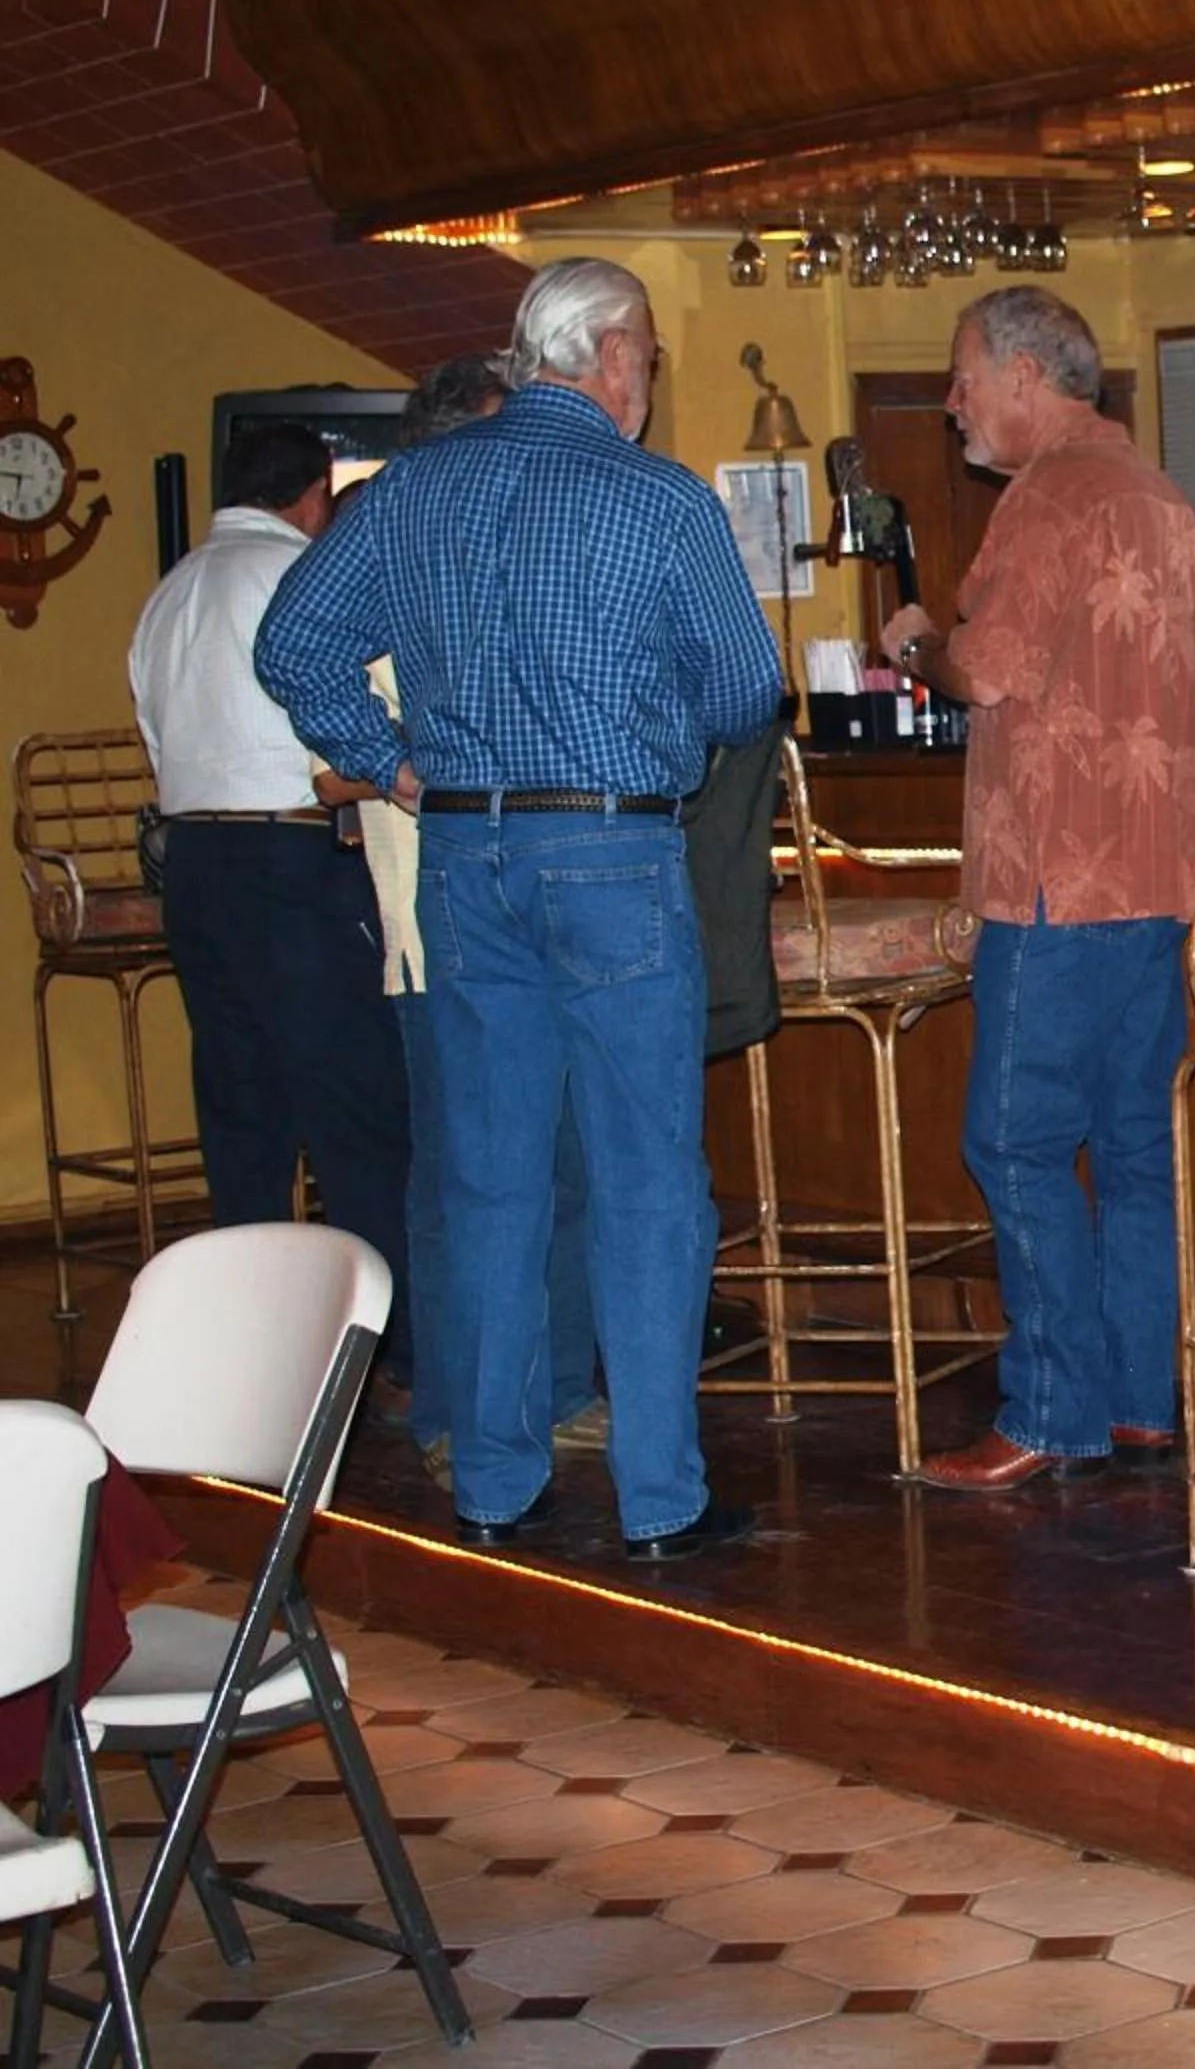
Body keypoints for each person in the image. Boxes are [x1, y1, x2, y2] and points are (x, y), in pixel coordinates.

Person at [256, 257, 783, 1561]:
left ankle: (496, 1479)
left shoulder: (413, 491)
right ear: (608, 354)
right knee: (648, 1178)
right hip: (610, 854)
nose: (651, 380)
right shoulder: (659, 501)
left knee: (490, 1174)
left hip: (464, 856)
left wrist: (383, 758)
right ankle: (662, 1494)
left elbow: (292, 645)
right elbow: (742, 693)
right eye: (651, 355)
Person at [880, 287, 1195, 1494]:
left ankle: (1047, 1413)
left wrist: (918, 641)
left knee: (1014, 1141)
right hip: (1159, 873)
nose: (954, 400)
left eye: (966, 375)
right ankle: (1136, 1403)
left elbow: (986, 671)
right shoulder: (1161, 497)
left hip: (1055, 879)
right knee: (1130, 1148)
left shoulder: (1050, 497)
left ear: (1028, 374)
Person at [358, 354, 607, 1490]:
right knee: (478, 1181)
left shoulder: (446, 556)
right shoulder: (396, 555)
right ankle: (470, 1407)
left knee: (533, 1171)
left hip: (504, 896)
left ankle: (538, 1396)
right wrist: (411, 774)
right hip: (439, 912)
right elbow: (326, 754)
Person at [129, 420, 414, 1384]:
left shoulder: (167, 595)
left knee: (243, 1114)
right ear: (313, 500)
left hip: (194, 869)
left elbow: (155, 743)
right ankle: (381, 1348)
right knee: (354, 1113)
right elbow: (336, 758)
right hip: (290, 859)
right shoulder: (299, 582)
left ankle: (250, 1353)